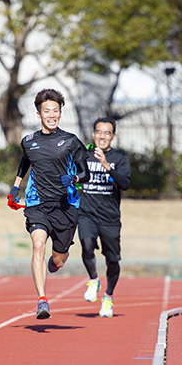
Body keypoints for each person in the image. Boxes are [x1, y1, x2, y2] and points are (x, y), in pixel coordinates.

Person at [7, 88, 89, 320]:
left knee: (58, 259)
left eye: (55, 111)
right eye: (47, 111)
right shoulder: (29, 141)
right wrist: (15, 187)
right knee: (38, 246)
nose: (51, 115)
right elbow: (25, 161)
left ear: (60, 114)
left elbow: (85, 173)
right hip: (38, 204)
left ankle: (55, 263)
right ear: (38, 114)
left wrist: (74, 178)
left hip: (66, 206)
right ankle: (42, 300)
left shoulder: (71, 141)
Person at [78, 117, 131, 317]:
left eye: (107, 133)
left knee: (112, 261)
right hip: (87, 214)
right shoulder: (83, 156)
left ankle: (108, 297)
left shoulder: (120, 159)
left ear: (113, 136)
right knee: (86, 245)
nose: (102, 136)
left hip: (110, 218)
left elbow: (125, 184)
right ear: (93, 134)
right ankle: (93, 279)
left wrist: (107, 166)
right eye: (99, 132)